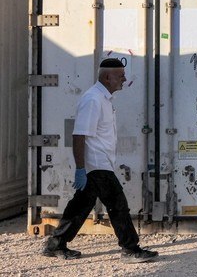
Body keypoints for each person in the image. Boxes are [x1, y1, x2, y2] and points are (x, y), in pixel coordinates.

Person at [42, 58, 158, 263]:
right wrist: (80, 168)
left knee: (80, 205)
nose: (124, 79)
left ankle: (55, 244)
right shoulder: (93, 99)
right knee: (118, 205)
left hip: (99, 164)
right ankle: (130, 249)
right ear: (107, 77)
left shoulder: (103, 99)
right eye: (120, 75)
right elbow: (79, 135)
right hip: (96, 166)